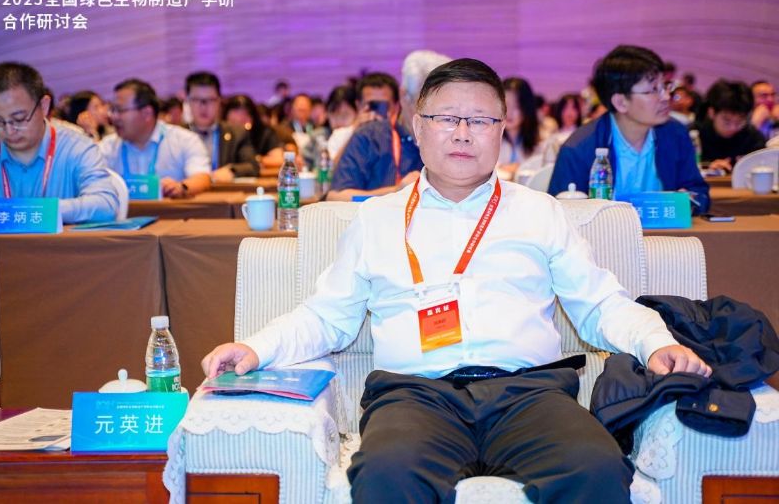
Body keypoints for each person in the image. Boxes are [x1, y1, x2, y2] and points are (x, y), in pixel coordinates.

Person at [202, 58, 711, 503]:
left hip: (528, 394)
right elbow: (326, 317)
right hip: (415, 396)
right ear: (417, 126)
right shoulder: (376, 219)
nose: (463, 133)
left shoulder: (540, 212)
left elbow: (599, 304)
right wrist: (255, 348)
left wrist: (655, 342)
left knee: (595, 466)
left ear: (502, 129)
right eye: (447, 118)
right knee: (386, 472)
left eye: (481, 120)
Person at [548, 45, 710, 214]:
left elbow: (699, 192)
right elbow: (556, 214)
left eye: (665, 86)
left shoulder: (675, 134)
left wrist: (688, 201)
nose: (665, 97)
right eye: (653, 90)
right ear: (620, 102)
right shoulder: (579, 149)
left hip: (666, 231)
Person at [0, 62, 119, 223]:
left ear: (44, 106)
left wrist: (41, 210)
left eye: (19, 119)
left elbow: (106, 205)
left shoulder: (78, 147)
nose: (9, 131)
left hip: (61, 240)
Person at [100, 78, 211, 198]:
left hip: (168, 209)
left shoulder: (184, 140)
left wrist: (181, 187)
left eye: (120, 110)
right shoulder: (108, 146)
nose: (114, 117)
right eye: (113, 110)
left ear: (147, 113)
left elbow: (202, 177)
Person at [327, 72, 423, 201]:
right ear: (359, 105)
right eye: (372, 106)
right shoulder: (362, 136)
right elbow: (335, 196)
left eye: (384, 106)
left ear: (397, 106)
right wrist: (396, 191)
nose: (377, 112)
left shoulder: (412, 137)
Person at [185, 72, 259, 182]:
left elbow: (252, 166)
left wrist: (232, 170)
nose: (203, 107)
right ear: (187, 101)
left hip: (222, 190)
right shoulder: (176, 135)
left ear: (219, 101)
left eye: (210, 100)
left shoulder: (237, 133)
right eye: (196, 100)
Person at [698, 79, 766, 172]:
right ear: (712, 113)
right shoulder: (695, 135)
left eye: (739, 121)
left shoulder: (753, 137)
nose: (733, 128)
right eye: (727, 121)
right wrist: (707, 168)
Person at [497, 77, 546, 179]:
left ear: (526, 108)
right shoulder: (488, 139)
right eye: (506, 105)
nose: (509, 112)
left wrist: (518, 168)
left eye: (517, 106)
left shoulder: (538, 143)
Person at [222, 94, 287, 169]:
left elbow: (279, 160)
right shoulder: (218, 133)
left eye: (245, 113)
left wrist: (256, 160)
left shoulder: (264, 133)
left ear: (253, 117)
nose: (240, 118)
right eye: (236, 112)